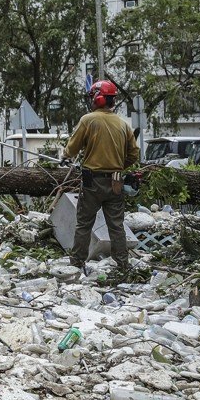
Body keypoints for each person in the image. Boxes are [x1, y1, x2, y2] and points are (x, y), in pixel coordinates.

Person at [63, 80, 139, 277]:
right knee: (116, 225)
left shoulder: (88, 120)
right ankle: (123, 265)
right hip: (115, 182)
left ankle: (77, 263)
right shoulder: (123, 124)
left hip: (91, 182)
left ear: (98, 98)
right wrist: (119, 166)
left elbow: (71, 149)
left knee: (84, 224)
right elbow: (133, 155)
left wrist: (65, 156)